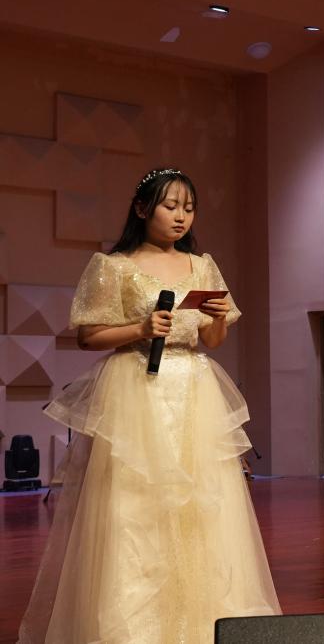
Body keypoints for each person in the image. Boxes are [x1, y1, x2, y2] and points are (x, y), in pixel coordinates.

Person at [19, 168, 280, 643]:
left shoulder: (202, 265)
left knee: (204, 503)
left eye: (189, 208)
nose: (181, 217)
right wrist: (140, 328)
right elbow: (88, 336)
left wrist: (218, 319)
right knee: (135, 506)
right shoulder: (113, 266)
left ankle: (206, 619)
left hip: (194, 390)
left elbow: (212, 339)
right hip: (137, 387)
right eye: (170, 206)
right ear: (142, 209)